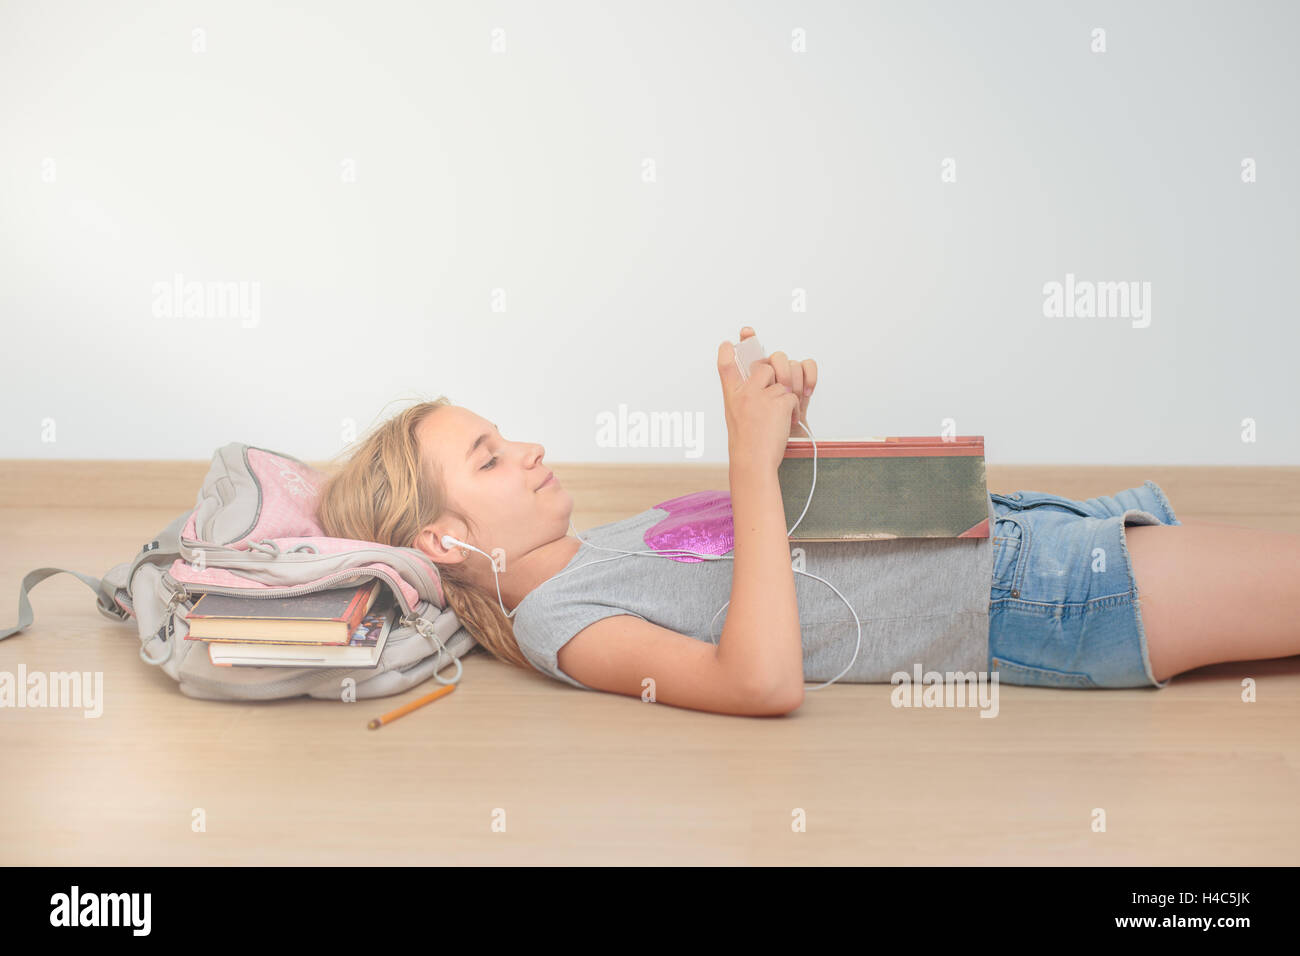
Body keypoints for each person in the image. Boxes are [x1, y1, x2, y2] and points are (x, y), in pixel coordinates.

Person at [316, 328, 1300, 716]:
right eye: (488, 457)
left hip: (1020, 536)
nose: (525, 448)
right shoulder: (557, 621)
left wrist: (782, 436)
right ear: (441, 541)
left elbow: (786, 556)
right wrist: (746, 460)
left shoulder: (600, 542)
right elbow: (759, 678)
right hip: (1029, 596)